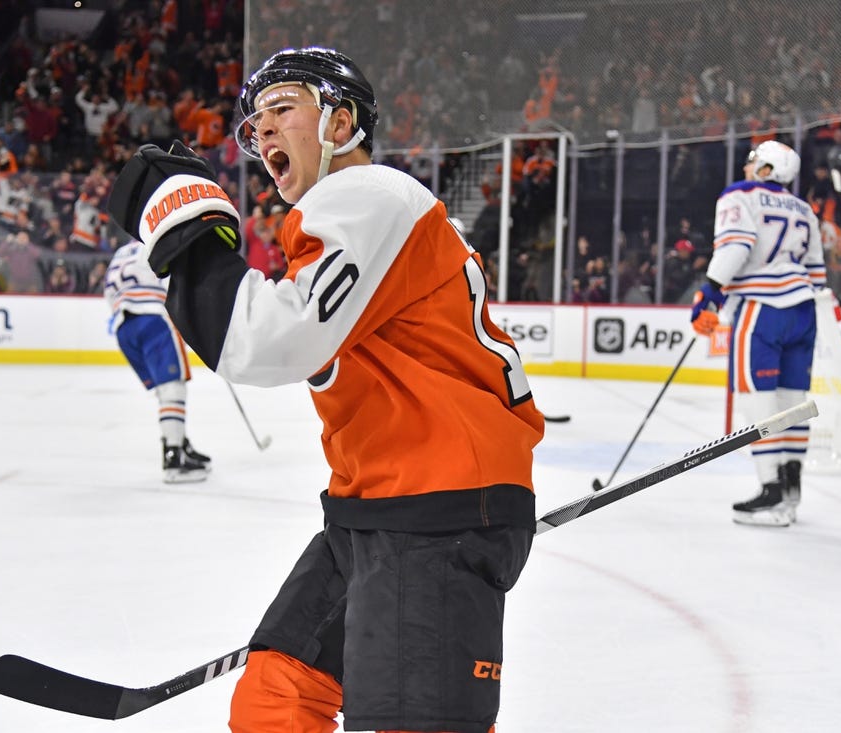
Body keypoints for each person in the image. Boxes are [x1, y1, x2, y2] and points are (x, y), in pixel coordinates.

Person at [107, 46, 543, 733]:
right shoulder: (358, 217)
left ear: (341, 125)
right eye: (256, 124)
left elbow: (261, 339)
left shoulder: (365, 195)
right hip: (376, 510)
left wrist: (188, 228)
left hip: (434, 507)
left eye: (284, 109)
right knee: (274, 702)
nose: (264, 131)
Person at [690, 140, 827, 528]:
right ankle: (791, 490)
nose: (748, 167)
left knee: (757, 402)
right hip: (803, 311)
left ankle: (770, 492)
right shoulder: (804, 209)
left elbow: (737, 246)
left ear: (767, 169)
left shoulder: (741, 195)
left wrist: (709, 292)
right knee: (793, 402)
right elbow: (816, 271)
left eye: (754, 162)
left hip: (762, 309)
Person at [102, 239, 212, 483]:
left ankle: (180, 443)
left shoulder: (121, 252)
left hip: (123, 326)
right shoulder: (157, 242)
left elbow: (109, 292)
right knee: (173, 388)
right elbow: (177, 282)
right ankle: (173, 459)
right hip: (154, 319)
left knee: (165, 392)